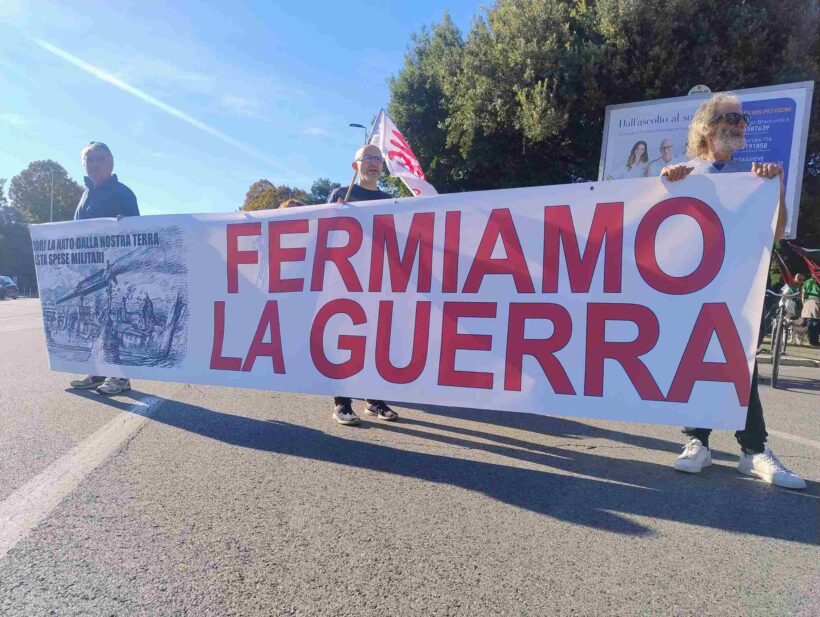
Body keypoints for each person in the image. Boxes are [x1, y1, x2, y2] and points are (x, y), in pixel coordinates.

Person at [660, 93, 805, 490]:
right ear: (707, 127)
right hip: (694, 288)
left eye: (743, 120)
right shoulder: (683, 173)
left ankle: (751, 449)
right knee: (698, 358)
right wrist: (667, 186)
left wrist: (773, 191)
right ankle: (701, 441)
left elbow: (774, 234)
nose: (740, 124)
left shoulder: (754, 175)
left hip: (741, 287)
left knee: (738, 360)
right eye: (730, 117)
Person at [326, 144, 399, 426]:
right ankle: (342, 403)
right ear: (355, 166)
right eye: (367, 158)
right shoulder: (341, 195)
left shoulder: (388, 200)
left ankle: (374, 399)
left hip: (376, 280)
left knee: (376, 339)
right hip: (344, 279)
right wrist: (336, 212)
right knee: (344, 339)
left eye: (378, 160)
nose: (373, 164)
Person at [69, 142, 140, 396]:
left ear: (111, 163)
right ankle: (98, 372)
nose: (95, 164)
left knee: (113, 322)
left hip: (113, 276)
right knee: (96, 321)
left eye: (100, 159)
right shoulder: (85, 195)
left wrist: (125, 225)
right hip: (90, 273)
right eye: (90, 160)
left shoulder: (123, 193)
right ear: (84, 165)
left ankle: (121, 377)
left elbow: (137, 233)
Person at [801, 272, 820, 346]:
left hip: (808, 303)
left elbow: (803, 295)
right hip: (817, 303)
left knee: (811, 322)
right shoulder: (818, 281)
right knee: (816, 322)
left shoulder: (806, 282)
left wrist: (804, 305)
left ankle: (812, 341)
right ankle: (814, 341)